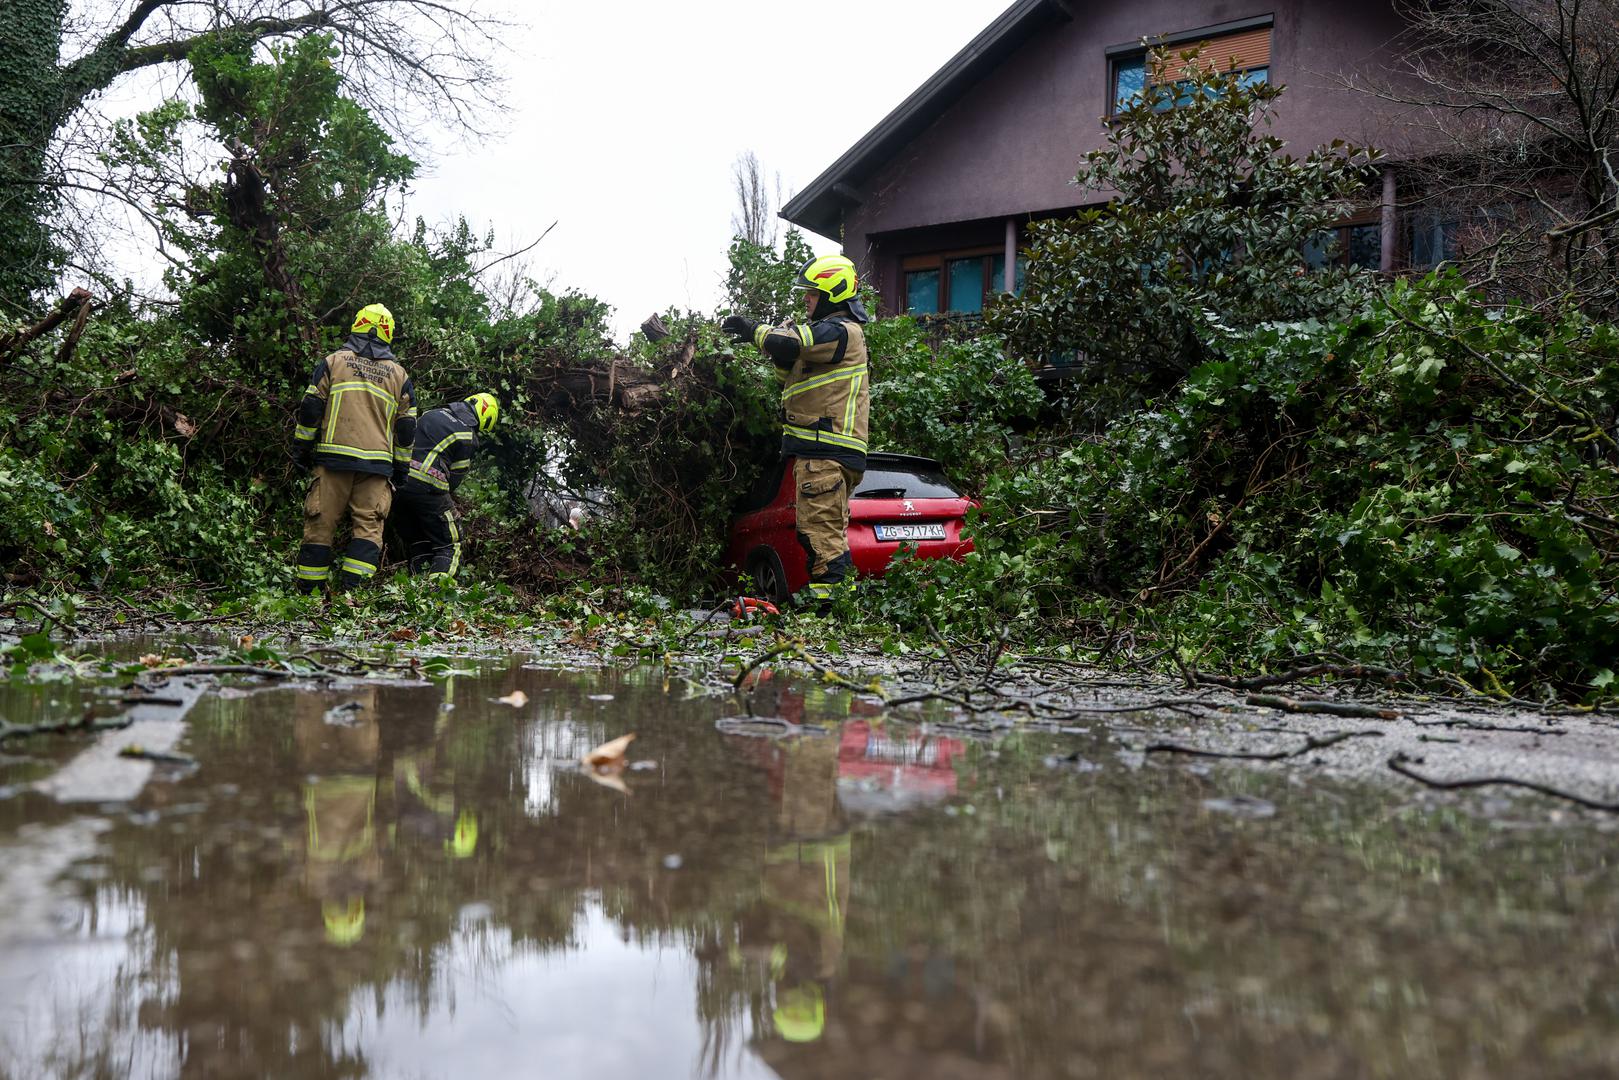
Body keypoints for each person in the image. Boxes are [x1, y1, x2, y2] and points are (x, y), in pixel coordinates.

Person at [722, 254, 871, 607]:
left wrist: (754, 329)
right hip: (823, 452)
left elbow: (792, 343)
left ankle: (830, 616)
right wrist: (778, 353)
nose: (806, 299)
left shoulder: (840, 331)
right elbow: (787, 371)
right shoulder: (823, 344)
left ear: (833, 294)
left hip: (826, 452)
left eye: (812, 293)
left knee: (821, 539)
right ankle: (834, 610)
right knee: (822, 536)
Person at [292, 304, 416, 592]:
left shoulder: (333, 362)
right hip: (376, 468)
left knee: (320, 526)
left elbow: (311, 409)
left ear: (357, 325)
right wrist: (401, 469)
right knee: (368, 530)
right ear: (388, 334)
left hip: (333, 460)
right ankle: (353, 601)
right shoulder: (399, 376)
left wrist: (301, 448)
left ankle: (308, 598)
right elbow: (407, 428)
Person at [392, 392, 499, 577]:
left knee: (419, 542)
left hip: (398, 486)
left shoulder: (432, 413)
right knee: (451, 544)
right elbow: (455, 478)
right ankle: (437, 596)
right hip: (428, 487)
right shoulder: (467, 435)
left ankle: (416, 588)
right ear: (485, 418)